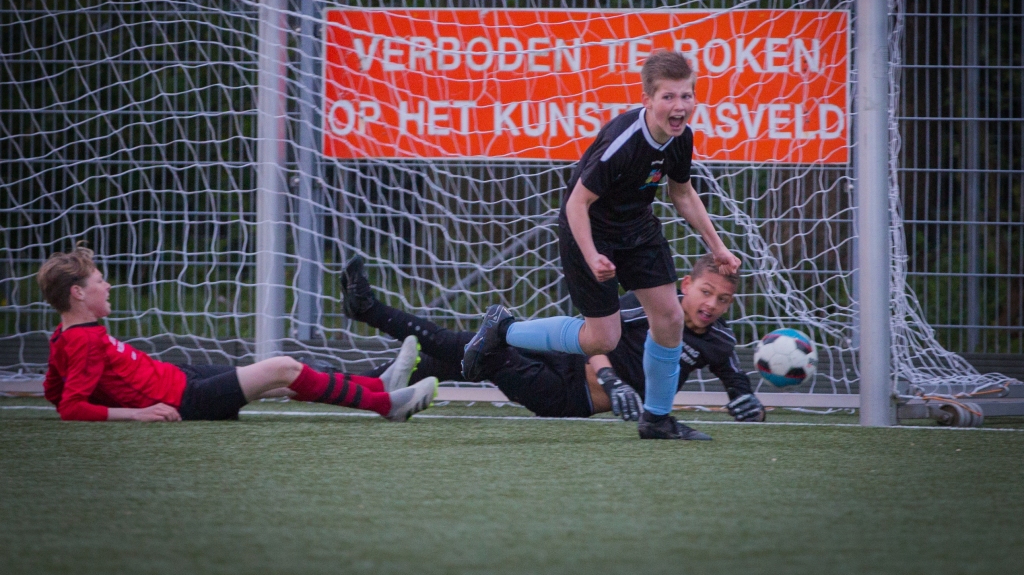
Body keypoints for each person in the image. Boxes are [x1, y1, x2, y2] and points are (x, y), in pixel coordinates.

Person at [463, 50, 742, 440]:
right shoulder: (622, 143)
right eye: (668, 97)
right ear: (647, 100)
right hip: (590, 230)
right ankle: (504, 328)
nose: (679, 106)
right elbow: (577, 203)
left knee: (670, 319)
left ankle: (656, 420)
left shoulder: (681, 138)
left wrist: (718, 248)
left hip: (637, 228)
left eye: (686, 96)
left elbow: (681, 192)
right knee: (602, 339)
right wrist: (592, 254)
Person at [342, 253, 765, 428]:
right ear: (687, 285)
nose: (711, 304)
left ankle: (368, 311)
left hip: (565, 396)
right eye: (706, 292)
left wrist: (749, 406)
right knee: (449, 355)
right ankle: (351, 382)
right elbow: (596, 336)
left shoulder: (718, 341)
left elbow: (739, 388)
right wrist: (613, 380)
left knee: (472, 351)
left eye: (722, 300)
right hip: (566, 358)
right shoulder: (653, 305)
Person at [37, 246, 437, 422]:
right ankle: (385, 405)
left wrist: (116, 396)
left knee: (283, 378)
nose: (107, 286)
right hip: (187, 400)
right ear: (78, 293)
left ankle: (377, 384)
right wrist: (137, 413)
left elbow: (55, 393)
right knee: (282, 368)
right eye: (99, 281)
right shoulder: (82, 340)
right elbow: (72, 408)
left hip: (181, 378)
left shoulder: (65, 335)